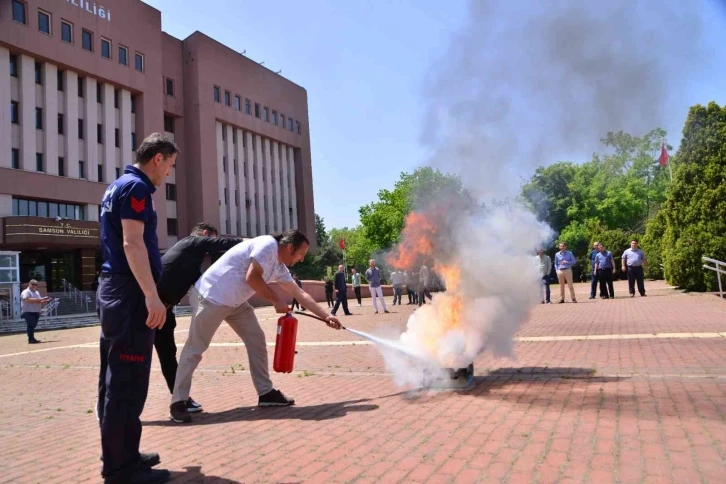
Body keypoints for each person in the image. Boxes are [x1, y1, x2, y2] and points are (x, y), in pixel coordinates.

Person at [169, 230, 342, 423]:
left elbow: (300, 294)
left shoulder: (280, 267)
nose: (301, 259)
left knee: (257, 340)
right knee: (195, 349)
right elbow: (253, 277)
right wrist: (275, 300)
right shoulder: (267, 245)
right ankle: (178, 403)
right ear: (290, 247)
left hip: (235, 302)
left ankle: (266, 393)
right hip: (212, 297)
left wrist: (327, 316)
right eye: (301, 254)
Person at [97, 133, 178, 483]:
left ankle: (123, 455)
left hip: (116, 290)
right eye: (170, 165)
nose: (169, 173)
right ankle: (121, 469)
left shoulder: (118, 185)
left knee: (115, 379)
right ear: (157, 159)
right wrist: (151, 295)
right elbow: (132, 244)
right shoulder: (137, 188)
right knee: (127, 381)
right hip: (129, 293)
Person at [154, 222, 243, 413]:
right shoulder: (191, 242)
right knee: (132, 356)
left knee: (168, 357)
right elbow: (223, 243)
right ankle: (111, 401)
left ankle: (181, 399)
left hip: (165, 311)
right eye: (211, 239)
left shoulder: (193, 264)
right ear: (204, 235)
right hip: (147, 308)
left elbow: (206, 285)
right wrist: (254, 242)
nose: (211, 248)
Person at [20, 279, 51, 344]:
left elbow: (39, 301)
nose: (34, 286)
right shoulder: (26, 292)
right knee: (31, 325)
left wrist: (44, 300)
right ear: (29, 284)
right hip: (28, 311)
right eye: (33, 284)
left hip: (36, 311)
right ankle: (31, 339)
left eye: (36, 284)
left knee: (33, 325)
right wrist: (38, 299)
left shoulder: (36, 292)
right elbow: (27, 300)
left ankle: (32, 338)